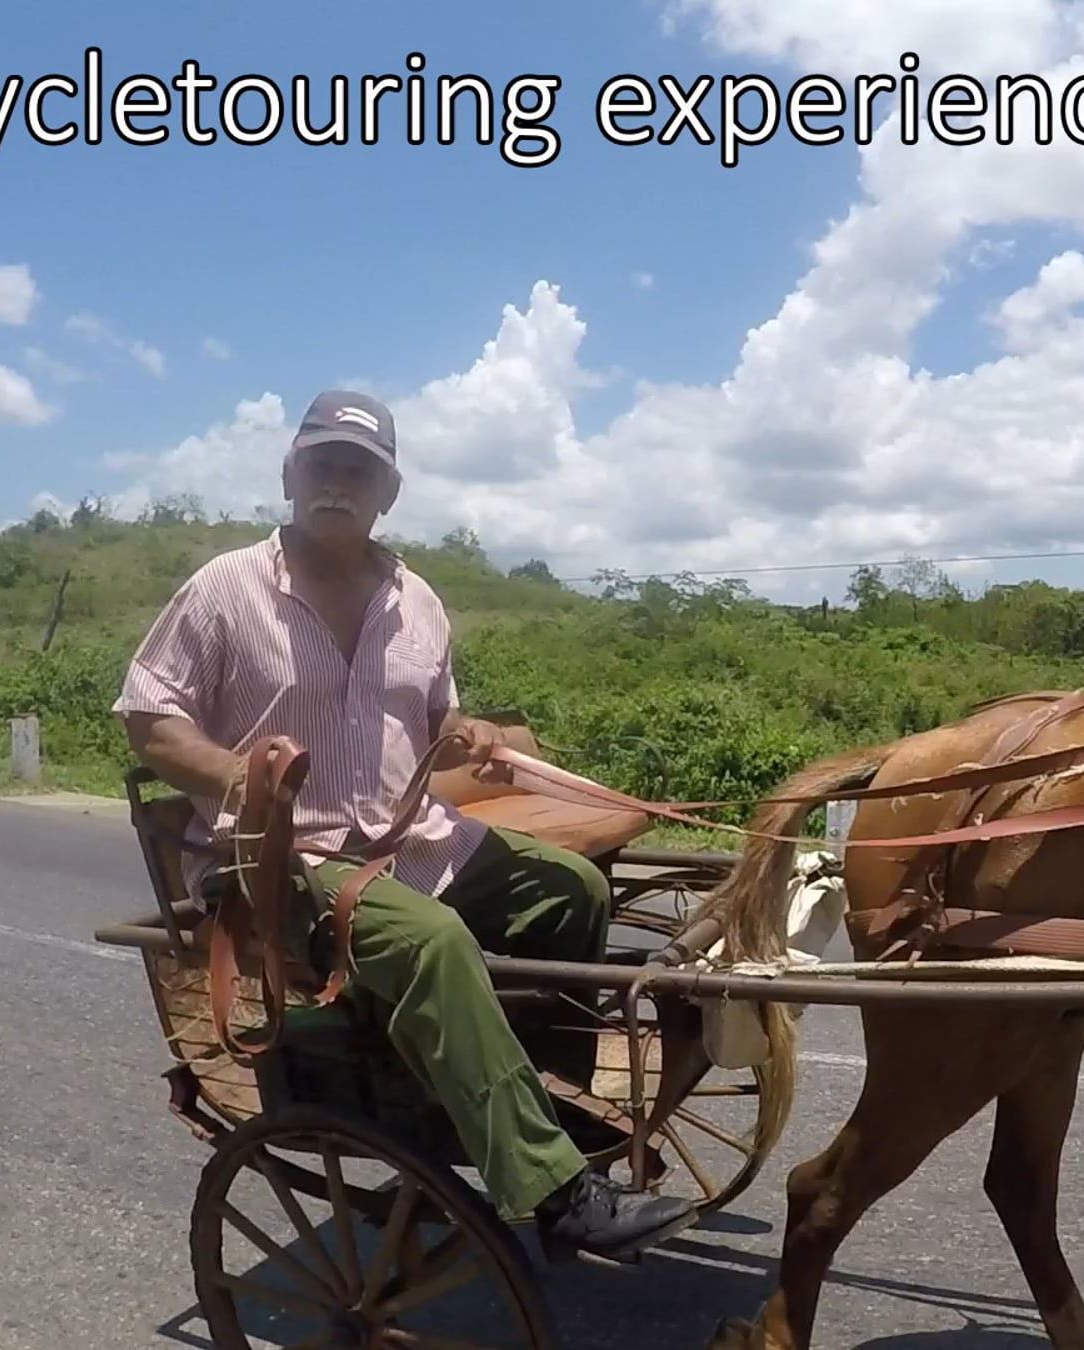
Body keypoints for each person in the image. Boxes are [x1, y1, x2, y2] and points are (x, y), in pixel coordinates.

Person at [111, 388, 696, 1260]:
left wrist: (469, 733)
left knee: (570, 890)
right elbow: (148, 719)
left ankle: (532, 1108)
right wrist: (238, 775)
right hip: (286, 862)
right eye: (322, 464)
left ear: (388, 491)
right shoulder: (225, 590)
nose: (337, 483)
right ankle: (554, 1193)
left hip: (415, 841)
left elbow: (433, 721)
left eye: (359, 470)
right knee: (431, 945)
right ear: (289, 475)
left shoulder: (415, 600)